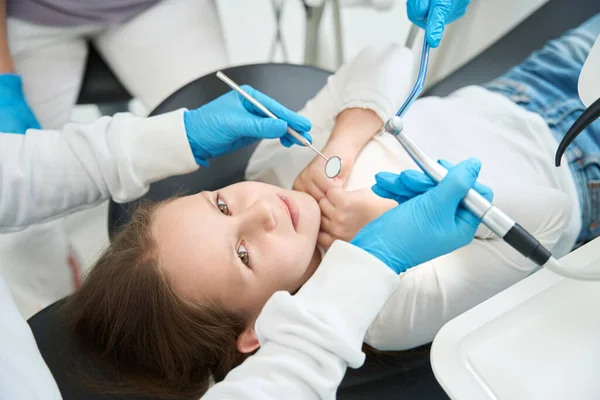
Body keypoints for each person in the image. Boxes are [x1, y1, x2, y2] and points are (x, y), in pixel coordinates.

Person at [64, 11, 600, 399]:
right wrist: (385, 222)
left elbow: (385, 59)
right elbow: (551, 219)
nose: (264, 210)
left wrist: (343, 140)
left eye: (222, 205)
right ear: (256, 331)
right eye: (245, 254)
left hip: (521, 90)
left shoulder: (276, 172)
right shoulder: (388, 310)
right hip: (583, 174)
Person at [0, 0, 229, 318]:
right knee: (17, 231)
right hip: (26, 17)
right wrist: (3, 82)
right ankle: (54, 301)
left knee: (231, 160)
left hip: (156, 7)